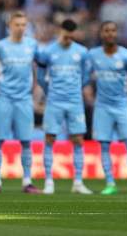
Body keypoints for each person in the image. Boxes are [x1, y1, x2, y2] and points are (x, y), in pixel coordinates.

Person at [88, 21, 127, 196]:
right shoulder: (93, 55)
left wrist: (126, 90)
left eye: (113, 31)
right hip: (102, 107)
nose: (110, 34)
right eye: (106, 30)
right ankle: (110, 183)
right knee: (105, 145)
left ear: (117, 34)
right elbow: (84, 74)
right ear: (101, 34)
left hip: (122, 105)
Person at [0, 11, 39, 194]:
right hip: (4, 97)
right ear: (9, 26)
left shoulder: (32, 45)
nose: (21, 28)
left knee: (27, 141)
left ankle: (27, 181)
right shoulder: (0, 46)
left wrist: (36, 88)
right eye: (17, 25)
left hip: (24, 99)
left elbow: (37, 67)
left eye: (24, 25)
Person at [37, 19, 92, 195]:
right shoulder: (48, 51)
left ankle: (77, 182)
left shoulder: (81, 52)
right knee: (49, 139)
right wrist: (49, 90)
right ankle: (48, 182)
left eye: (71, 37)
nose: (68, 39)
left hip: (75, 101)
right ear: (60, 32)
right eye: (65, 36)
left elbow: (86, 75)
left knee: (78, 140)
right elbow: (40, 75)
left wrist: (76, 89)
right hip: (54, 101)